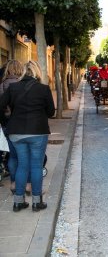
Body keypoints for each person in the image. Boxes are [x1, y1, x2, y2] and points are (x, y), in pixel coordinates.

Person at [0, 61, 55, 212]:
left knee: (22, 165)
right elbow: (51, 112)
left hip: (16, 133)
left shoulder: (13, 87)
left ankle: (18, 202)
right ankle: (37, 202)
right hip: (38, 132)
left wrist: (7, 122)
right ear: (37, 72)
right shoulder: (43, 89)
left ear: (23, 72)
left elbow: (0, 106)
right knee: (36, 166)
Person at [0, 60, 24, 194]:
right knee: (23, 156)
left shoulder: (2, 85)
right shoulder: (23, 85)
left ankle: (14, 183)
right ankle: (26, 184)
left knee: (12, 156)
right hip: (22, 124)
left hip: (7, 124)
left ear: (8, 69)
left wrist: (4, 122)